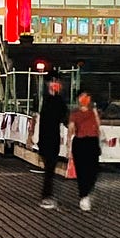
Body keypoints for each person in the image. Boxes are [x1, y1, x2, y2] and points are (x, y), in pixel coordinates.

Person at [37, 74, 68, 209]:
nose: (56, 84)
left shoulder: (55, 100)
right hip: (48, 140)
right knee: (49, 169)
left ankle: (47, 195)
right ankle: (46, 197)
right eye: (53, 82)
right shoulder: (49, 100)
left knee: (50, 169)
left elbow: (63, 116)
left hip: (50, 139)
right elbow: (61, 115)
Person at [68, 90, 102, 212]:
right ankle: (83, 195)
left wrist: (94, 112)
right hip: (80, 142)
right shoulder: (75, 113)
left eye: (87, 97)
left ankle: (88, 190)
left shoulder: (93, 112)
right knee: (81, 171)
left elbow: (98, 126)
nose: (85, 99)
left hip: (92, 142)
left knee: (93, 170)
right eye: (82, 97)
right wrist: (68, 147)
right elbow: (71, 129)